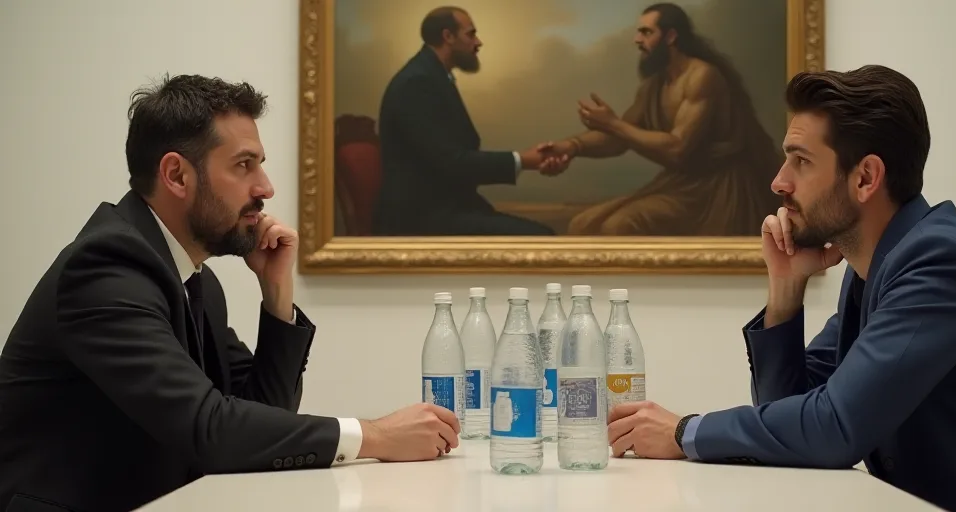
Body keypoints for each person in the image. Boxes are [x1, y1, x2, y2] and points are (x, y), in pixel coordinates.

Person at [0, 75, 461, 512]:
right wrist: (375, 435)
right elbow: (210, 429)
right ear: (177, 175)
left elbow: (256, 418)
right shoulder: (106, 268)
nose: (266, 187)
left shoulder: (192, 277)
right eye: (244, 165)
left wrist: (276, 293)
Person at [606, 65, 956, 512]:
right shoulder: (875, 269)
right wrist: (786, 289)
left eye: (801, 161)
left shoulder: (940, 262)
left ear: (865, 178)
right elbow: (793, 418)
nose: (779, 182)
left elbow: (834, 427)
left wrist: (684, 432)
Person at [543, 3, 781, 236]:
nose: (637, 39)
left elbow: (678, 149)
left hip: (715, 190)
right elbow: (619, 139)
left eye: (646, 32)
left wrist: (612, 123)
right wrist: (572, 146)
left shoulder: (701, 76)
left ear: (670, 37)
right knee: (583, 224)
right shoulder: (654, 86)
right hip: (681, 184)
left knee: (619, 226)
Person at [372, 6, 563, 236]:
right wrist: (523, 160)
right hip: (420, 219)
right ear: (448, 36)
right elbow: (453, 163)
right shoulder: (417, 84)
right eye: (471, 34)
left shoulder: (432, 76)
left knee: (541, 237)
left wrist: (526, 160)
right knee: (541, 239)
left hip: (445, 208)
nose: (478, 42)